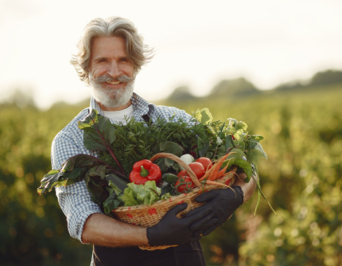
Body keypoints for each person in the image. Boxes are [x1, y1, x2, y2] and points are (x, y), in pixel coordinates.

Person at [52, 16, 257, 266]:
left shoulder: (173, 119)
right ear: (86, 69)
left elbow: (246, 169)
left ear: (136, 65)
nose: (114, 72)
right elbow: (82, 222)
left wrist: (236, 195)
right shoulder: (70, 139)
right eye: (102, 61)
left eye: (123, 60)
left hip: (185, 257)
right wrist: (151, 235)